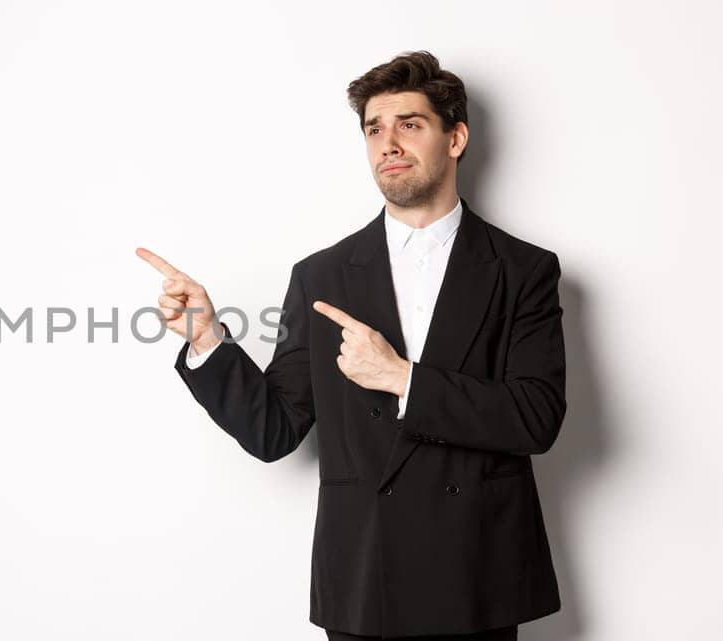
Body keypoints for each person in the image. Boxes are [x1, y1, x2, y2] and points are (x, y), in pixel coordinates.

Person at [135, 51, 566, 640]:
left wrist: (402, 378)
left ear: (456, 138)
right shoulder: (322, 276)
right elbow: (274, 432)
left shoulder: (522, 270)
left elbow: (536, 419)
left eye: (409, 124)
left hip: (478, 575)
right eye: (373, 129)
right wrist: (208, 339)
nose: (387, 142)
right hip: (366, 579)